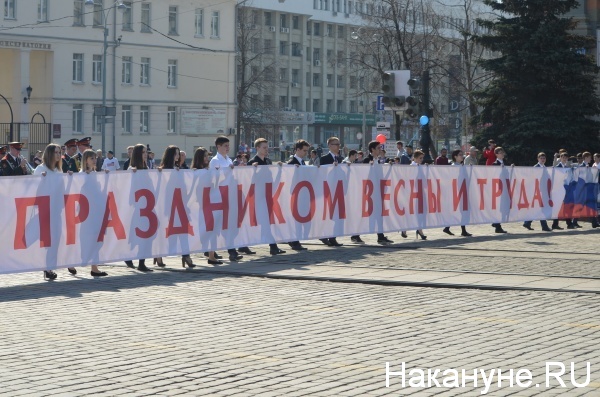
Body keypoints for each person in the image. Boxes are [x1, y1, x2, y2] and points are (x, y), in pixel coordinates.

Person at [158, 145, 197, 268]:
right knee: (166, 232)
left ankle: (186, 256)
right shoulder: (164, 170)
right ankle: (158, 255)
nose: (177, 156)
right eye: (175, 153)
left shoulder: (180, 168)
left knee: (184, 230)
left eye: (178, 153)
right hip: (169, 206)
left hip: (180, 205)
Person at [248, 138, 286, 255]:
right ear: (257, 148)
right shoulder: (252, 162)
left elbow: (272, 177)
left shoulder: (268, 161)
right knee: (263, 221)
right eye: (264, 147)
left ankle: (272, 245)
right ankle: (273, 246)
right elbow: (248, 180)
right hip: (258, 197)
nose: (266, 149)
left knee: (266, 221)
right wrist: (253, 170)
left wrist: (279, 169)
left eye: (267, 147)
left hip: (267, 196)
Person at [350, 140, 393, 245]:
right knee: (364, 214)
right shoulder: (366, 160)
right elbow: (363, 174)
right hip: (368, 193)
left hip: (377, 192)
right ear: (372, 149)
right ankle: (355, 235)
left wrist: (389, 167)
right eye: (378, 148)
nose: (380, 150)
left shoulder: (378, 160)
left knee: (379, 214)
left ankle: (381, 236)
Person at [209, 136, 245, 261]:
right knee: (218, 225)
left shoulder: (228, 159)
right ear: (218, 147)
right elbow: (213, 179)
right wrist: (226, 172)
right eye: (225, 146)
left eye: (228, 145)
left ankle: (232, 251)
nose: (228, 148)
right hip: (219, 196)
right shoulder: (215, 161)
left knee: (229, 225)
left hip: (229, 195)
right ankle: (211, 252)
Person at [33, 143, 63, 280]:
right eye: (56, 152)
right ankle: (44, 266)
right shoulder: (40, 169)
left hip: (56, 210)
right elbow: (32, 188)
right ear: (50, 153)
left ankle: (49, 267)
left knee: (55, 239)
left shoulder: (58, 171)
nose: (58, 155)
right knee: (45, 240)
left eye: (59, 152)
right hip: (44, 210)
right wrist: (40, 179)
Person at [79, 149, 109, 277]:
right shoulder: (81, 175)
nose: (94, 160)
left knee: (96, 238)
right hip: (85, 213)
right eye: (92, 158)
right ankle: (76, 262)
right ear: (86, 160)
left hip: (95, 211)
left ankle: (94, 267)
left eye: (95, 158)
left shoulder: (96, 174)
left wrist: (106, 178)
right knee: (86, 239)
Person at [192, 147, 224, 264]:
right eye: (205, 156)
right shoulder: (196, 171)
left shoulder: (209, 170)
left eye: (208, 156)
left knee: (213, 229)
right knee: (206, 230)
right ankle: (208, 253)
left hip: (211, 203)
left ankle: (211, 255)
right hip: (202, 204)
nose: (207, 158)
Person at [125, 144, 153, 272]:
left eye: (146, 152)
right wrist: (133, 174)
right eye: (143, 152)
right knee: (136, 235)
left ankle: (142, 262)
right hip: (137, 208)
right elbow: (126, 186)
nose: (145, 154)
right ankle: (128, 255)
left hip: (147, 206)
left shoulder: (146, 167)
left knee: (146, 235)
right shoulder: (132, 168)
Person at [318, 137, 344, 247]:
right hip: (327, 190)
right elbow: (320, 173)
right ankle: (323, 235)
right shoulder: (324, 159)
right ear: (329, 146)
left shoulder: (341, 159)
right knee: (327, 215)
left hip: (338, 190)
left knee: (336, 216)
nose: (338, 146)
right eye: (335, 144)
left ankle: (333, 237)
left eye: (339, 144)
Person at [286, 140, 311, 251]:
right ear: (297, 150)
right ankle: (294, 241)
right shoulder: (292, 162)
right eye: (304, 150)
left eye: (307, 150)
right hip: (295, 194)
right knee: (295, 219)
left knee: (299, 219)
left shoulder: (302, 162)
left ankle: (294, 240)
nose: (306, 153)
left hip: (301, 194)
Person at [442, 150, 473, 237]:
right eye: (460, 155)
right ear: (455, 156)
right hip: (456, 192)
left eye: (462, 155)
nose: (462, 156)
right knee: (456, 210)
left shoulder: (462, 166)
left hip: (462, 191)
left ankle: (453, 228)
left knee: (463, 211)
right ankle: (449, 227)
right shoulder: (453, 166)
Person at [523, 153, 552, 232]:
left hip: (543, 190)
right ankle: (544, 226)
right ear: (538, 159)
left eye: (544, 158)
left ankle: (527, 222)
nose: (543, 160)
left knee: (538, 208)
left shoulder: (545, 168)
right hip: (537, 190)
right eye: (541, 158)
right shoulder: (536, 167)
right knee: (540, 208)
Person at [411, 150, 428, 240]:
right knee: (413, 212)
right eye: (420, 158)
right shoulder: (412, 167)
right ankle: (405, 229)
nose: (421, 160)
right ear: (415, 158)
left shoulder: (420, 167)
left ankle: (419, 229)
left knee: (420, 212)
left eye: (422, 158)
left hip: (420, 193)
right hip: (413, 193)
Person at [490, 147, 508, 233]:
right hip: (497, 189)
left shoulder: (505, 163)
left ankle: (496, 223)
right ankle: (497, 225)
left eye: (503, 152)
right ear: (496, 154)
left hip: (504, 188)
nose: (502, 154)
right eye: (500, 152)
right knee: (498, 207)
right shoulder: (494, 164)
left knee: (502, 207)